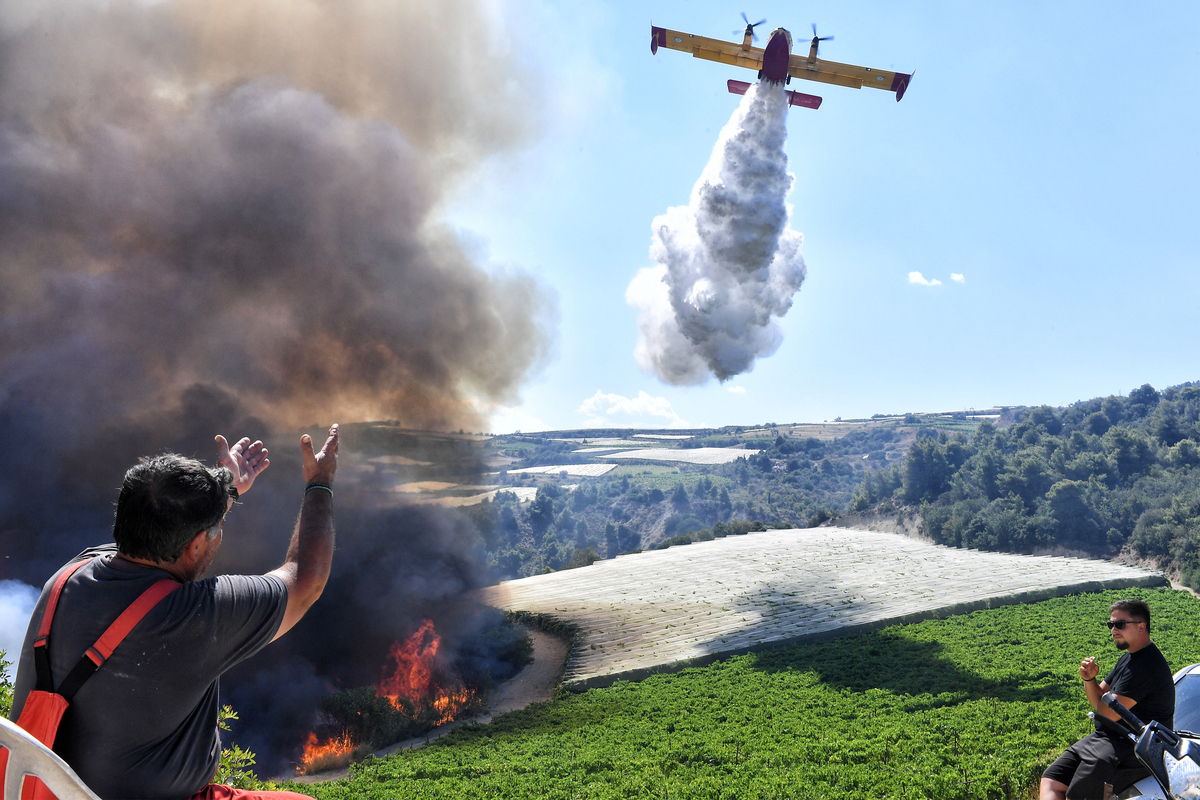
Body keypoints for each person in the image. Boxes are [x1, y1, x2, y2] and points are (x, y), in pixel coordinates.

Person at [9, 424, 340, 800]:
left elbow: (172, 535)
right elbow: (306, 580)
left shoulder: (71, 573)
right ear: (197, 543)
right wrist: (320, 483)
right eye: (216, 528)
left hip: (41, 790)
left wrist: (224, 491)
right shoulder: (191, 616)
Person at [1040, 598, 1175, 800]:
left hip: (1131, 748)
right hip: (1106, 739)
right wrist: (1089, 678)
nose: (1113, 630)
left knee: (1077, 796)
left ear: (1141, 627)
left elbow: (1107, 712)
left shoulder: (1147, 665)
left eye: (1119, 624)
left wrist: (1100, 699)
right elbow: (1098, 698)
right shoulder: (1129, 657)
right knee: (1051, 780)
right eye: (1111, 624)